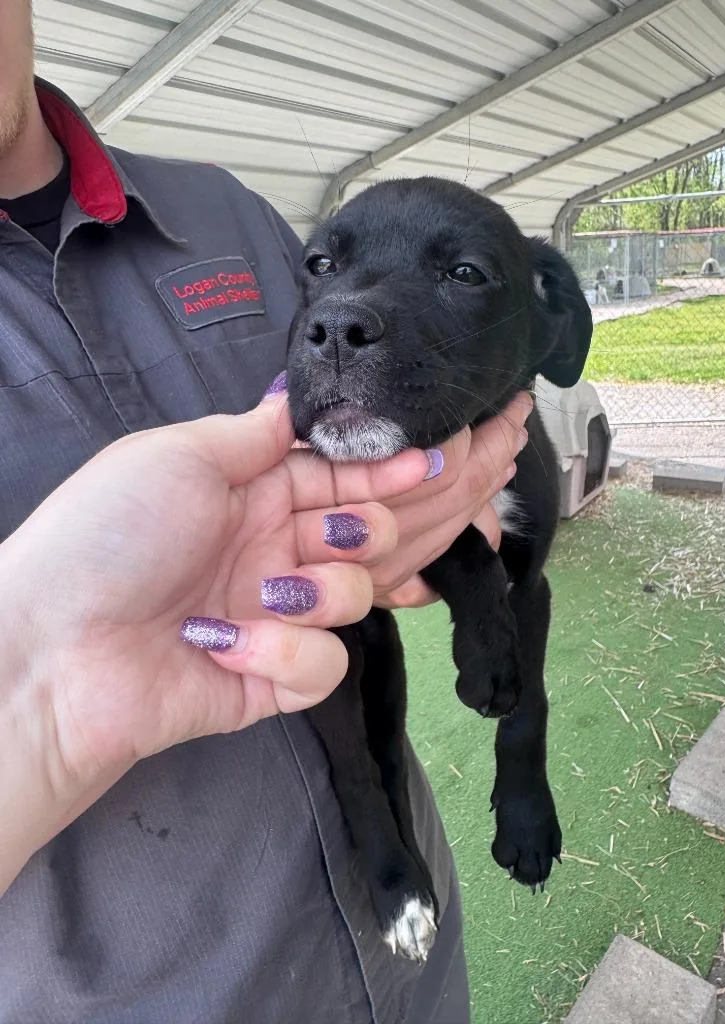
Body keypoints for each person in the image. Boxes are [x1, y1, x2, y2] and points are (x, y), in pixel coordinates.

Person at [0, 3, 532, 1021]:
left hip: (409, 965)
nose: (333, 305)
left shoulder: (229, 212)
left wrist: (442, 540)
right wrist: (32, 688)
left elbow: (381, 481)